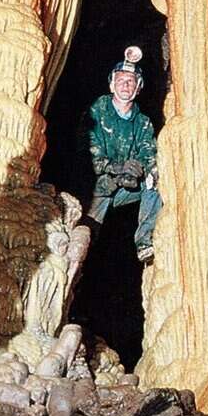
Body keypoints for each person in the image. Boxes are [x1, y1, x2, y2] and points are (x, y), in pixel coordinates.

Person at [81, 45, 160, 262]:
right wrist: (117, 168)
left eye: (131, 81)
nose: (126, 85)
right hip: (96, 185)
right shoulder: (97, 112)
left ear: (138, 87)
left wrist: (142, 169)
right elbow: (87, 153)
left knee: (156, 181)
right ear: (111, 84)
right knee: (86, 230)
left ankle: (144, 241)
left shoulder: (142, 122)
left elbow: (148, 152)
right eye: (121, 80)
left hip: (126, 186)